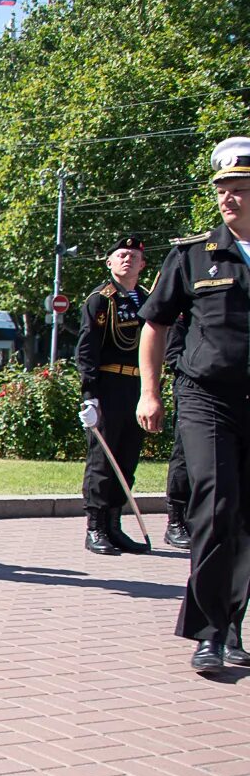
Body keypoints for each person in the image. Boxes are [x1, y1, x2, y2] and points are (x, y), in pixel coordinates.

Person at [138, 136, 250, 675]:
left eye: (240, 189)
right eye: (223, 189)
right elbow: (155, 325)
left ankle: (232, 626)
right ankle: (208, 631)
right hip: (208, 397)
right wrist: (150, 391)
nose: (229, 198)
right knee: (214, 507)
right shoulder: (193, 254)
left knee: (245, 519)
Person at [76, 236, 151, 556]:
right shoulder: (100, 299)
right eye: (121, 255)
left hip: (137, 387)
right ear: (109, 262)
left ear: (143, 265)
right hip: (108, 385)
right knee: (102, 461)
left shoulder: (148, 299)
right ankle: (95, 527)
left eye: (134, 256)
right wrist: (89, 394)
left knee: (126, 458)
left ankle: (114, 525)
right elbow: (87, 349)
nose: (128, 261)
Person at [163, 316, 192, 549]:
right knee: (184, 456)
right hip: (193, 391)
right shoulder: (183, 316)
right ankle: (176, 520)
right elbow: (172, 355)